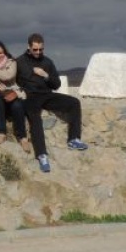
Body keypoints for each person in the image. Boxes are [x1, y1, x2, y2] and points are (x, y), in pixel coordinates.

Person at [15, 33, 87, 174]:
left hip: (46, 94)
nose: (38, 52)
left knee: (74, 102)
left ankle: (73, 139)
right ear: (28, 47)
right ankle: (42, 155)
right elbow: (13, 79)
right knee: (35, 119)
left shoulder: (47, 62)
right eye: (35, 49)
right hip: (30, 96)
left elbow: (56, 84)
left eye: (41, 49)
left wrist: (45, 75)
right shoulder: (20, 62)